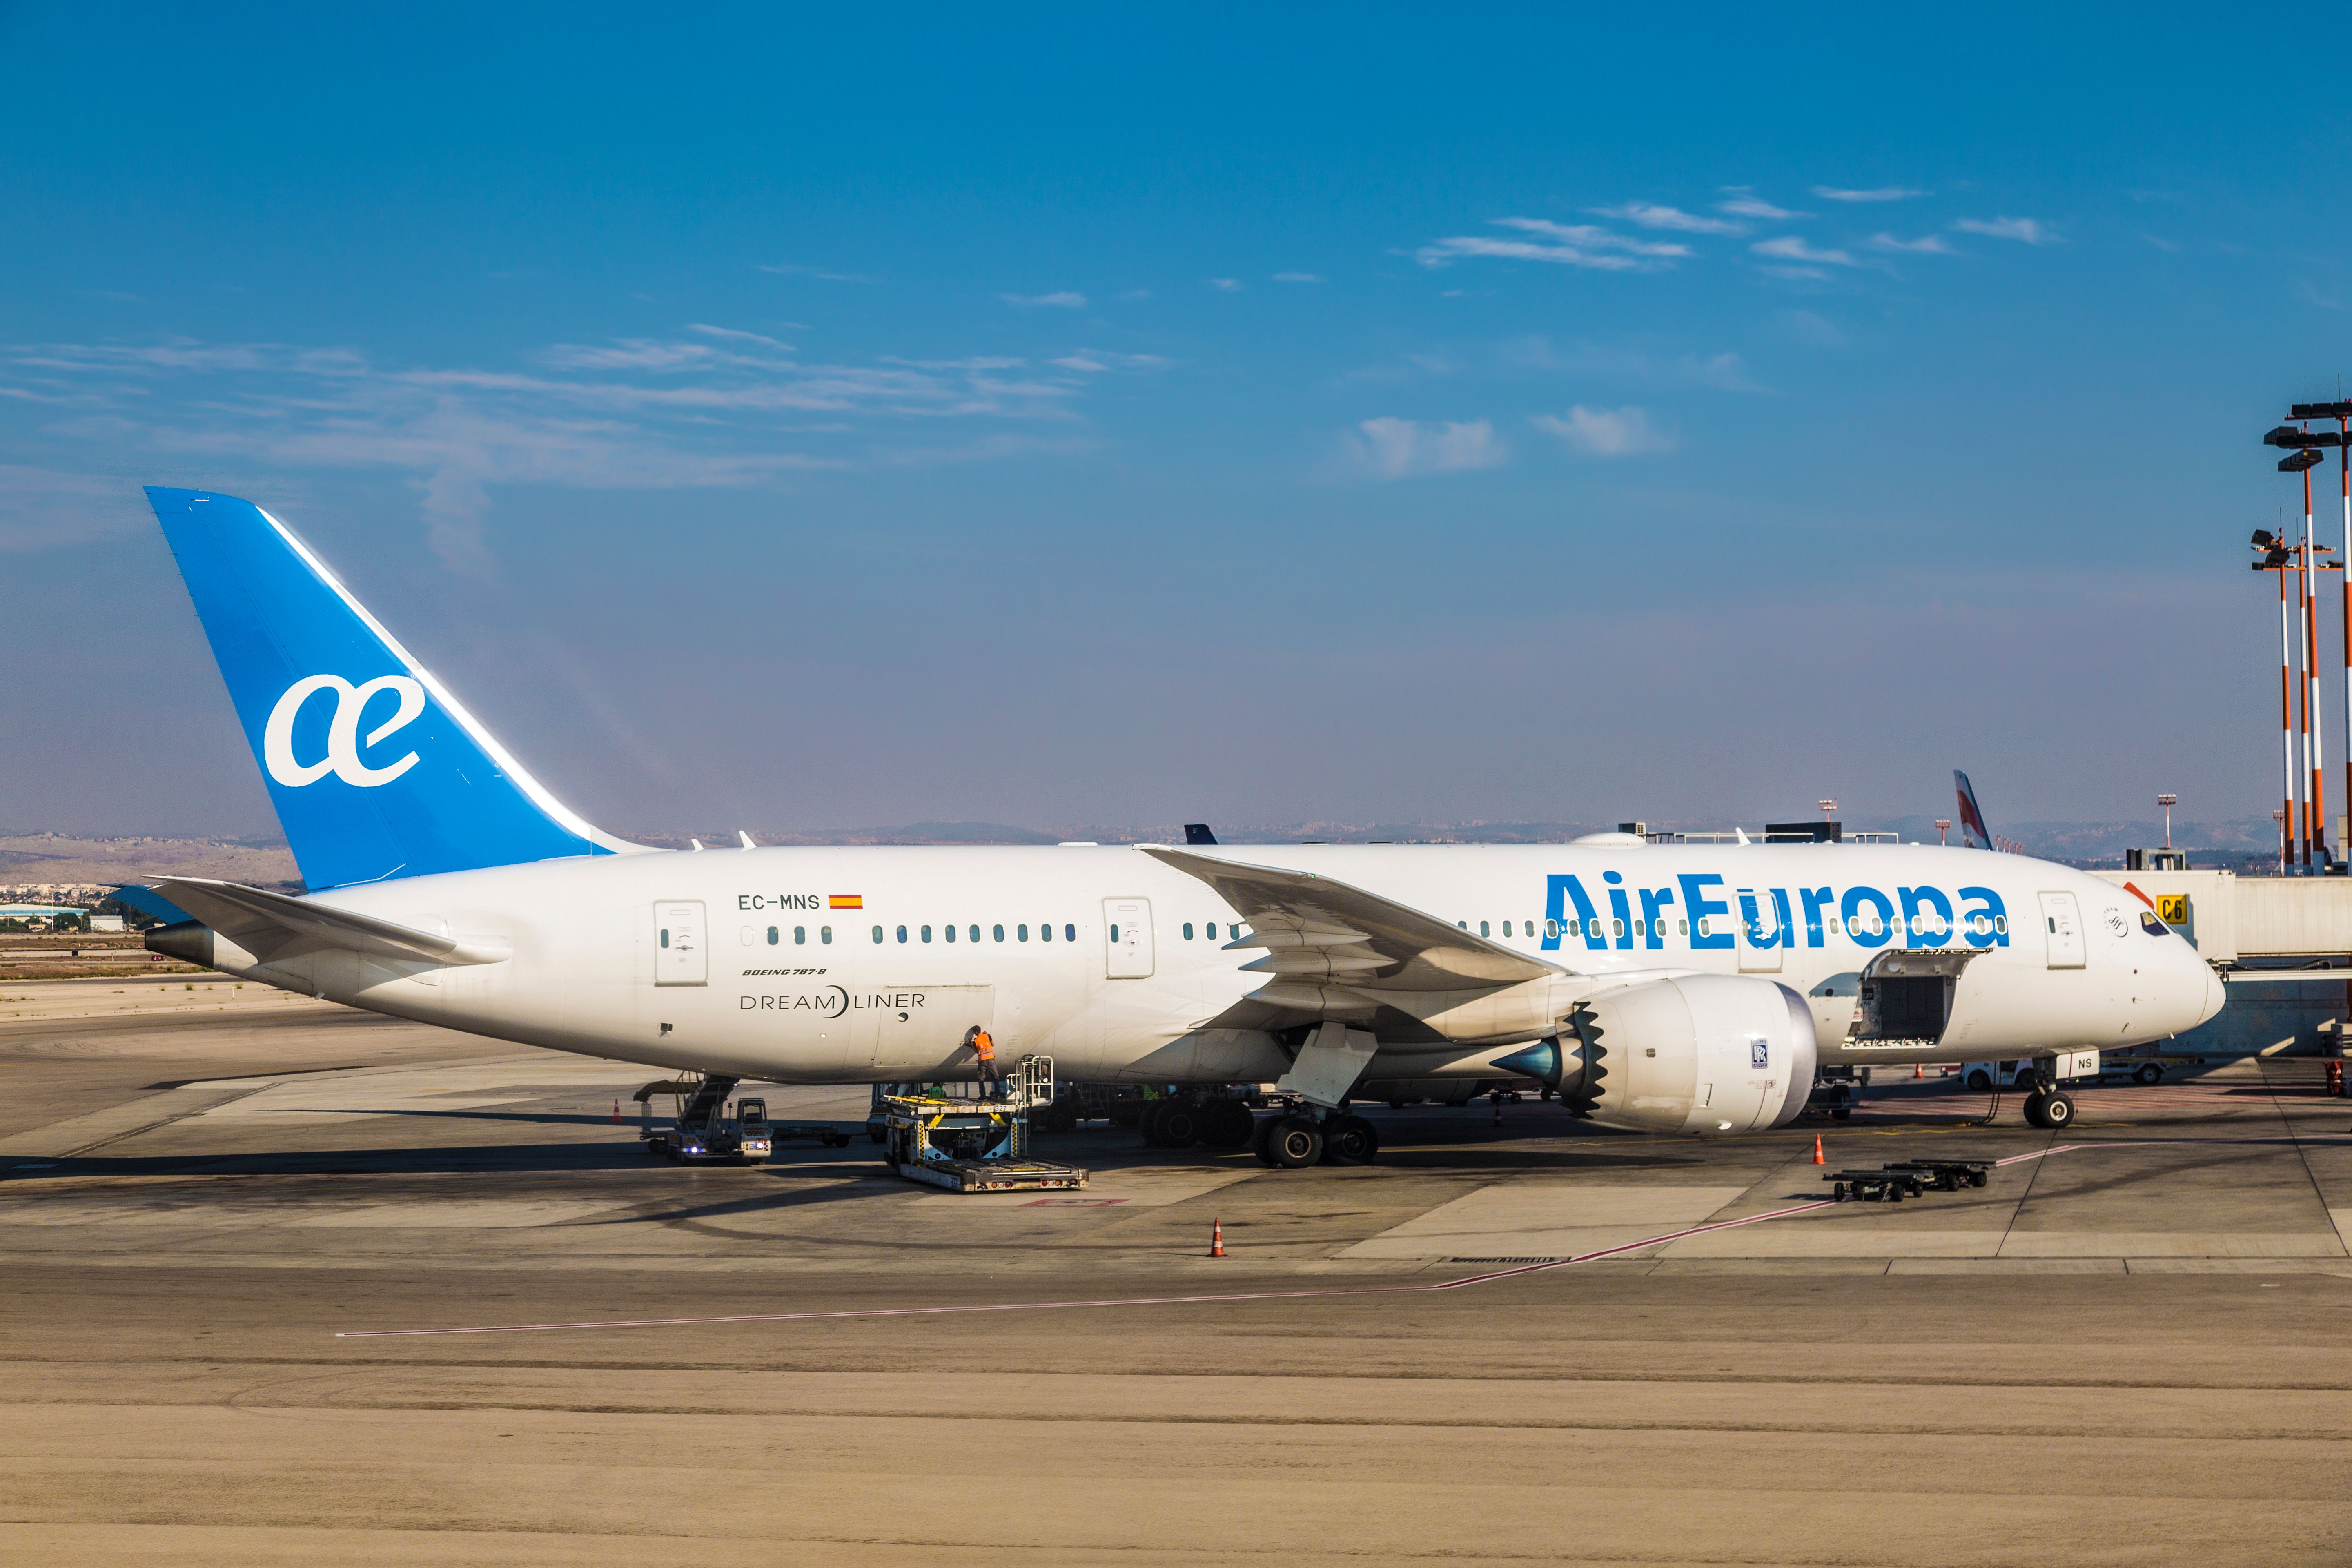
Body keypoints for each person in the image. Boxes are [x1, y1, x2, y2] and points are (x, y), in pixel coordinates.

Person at [969, 1025, 999, 1095]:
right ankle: (998, 1093)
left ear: (976, 1032)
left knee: (981, 1079)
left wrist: (971, 1046)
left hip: (983, 1061)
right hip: (991, 1060)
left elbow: (977, 1051)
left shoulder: (975, 1042)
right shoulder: (987, 1036)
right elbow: (993, 1044)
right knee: (996, 1077)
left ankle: (983, 1095)